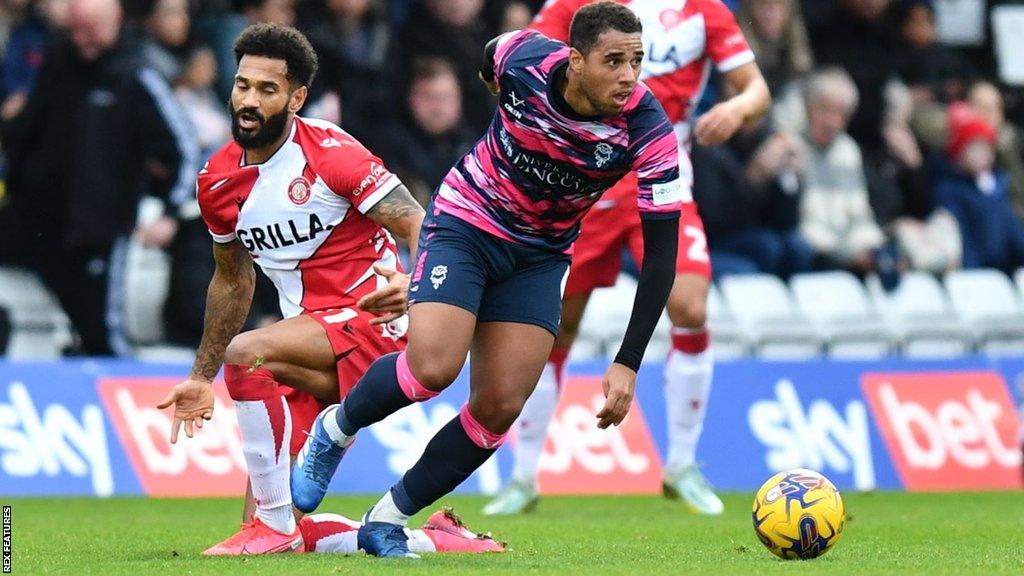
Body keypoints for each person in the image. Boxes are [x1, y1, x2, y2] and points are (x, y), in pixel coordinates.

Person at [292, 3, 686, 558]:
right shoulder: (521, 57)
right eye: (613, 61)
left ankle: (387, 519)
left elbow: (661, 255)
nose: (628, 76)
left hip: (541, 257)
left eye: (637, 61)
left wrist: (627, 362)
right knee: (432, 369)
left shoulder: (648, 130)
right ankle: (335, 430)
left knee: (499, 406)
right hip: (466, 224)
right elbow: (487, 62)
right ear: (574, 61)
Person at [484, 0, 771, 517]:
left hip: (662, 178)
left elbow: (757, 90)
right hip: (584, 185)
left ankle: (682, 464)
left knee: (691, 306)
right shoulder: (577, 8)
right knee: (556, 326)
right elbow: (530, 58)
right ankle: (523, 475)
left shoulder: (705, 11)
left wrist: (737, 107)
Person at [155, 23, 429, 555]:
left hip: (376, 325)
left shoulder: (333, 154)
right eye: (242, 85)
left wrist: (411, 281)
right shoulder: (216, 179)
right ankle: (439, 540)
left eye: (267, 89)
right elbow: (233, 279)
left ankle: (274, 525)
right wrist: (200, 376)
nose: (248, 101)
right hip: (310, 342)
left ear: (297, 97)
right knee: (277, 526)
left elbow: (424, 226)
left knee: (249, 352)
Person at [0, 0, 199, 356]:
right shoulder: (58, 61)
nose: (82, 39)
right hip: (35, 219)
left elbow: (184, 147)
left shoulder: (137, 75)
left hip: (96, 234)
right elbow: (25, 133)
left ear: (115, 20)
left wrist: (171, 211)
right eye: (75, 29)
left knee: (103, 339)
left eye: (91, 30)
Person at [795, 68, 886, 274]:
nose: (832, 122)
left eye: (841, 115)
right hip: (815, 250)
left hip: (848, 249)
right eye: (825, 110)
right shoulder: (791, 147)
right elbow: (804, 225)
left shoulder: (849, 150)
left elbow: (859, 214)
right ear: (808, 108)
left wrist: (872, 249)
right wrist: (848, 253)